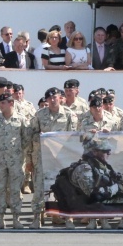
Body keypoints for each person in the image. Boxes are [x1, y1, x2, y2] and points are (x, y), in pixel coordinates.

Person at [29, 87, 77, 229]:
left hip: (62, 159)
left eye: (55, 97)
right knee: (39, 188)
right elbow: (31, 135)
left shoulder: (69, 115)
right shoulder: (39, 115)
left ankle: (68, 218)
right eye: (50, 98)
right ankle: (37, 218)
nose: (52, 100)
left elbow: (73, 137)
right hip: (43, 157)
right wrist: (41, 138)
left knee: (65, 188)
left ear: (60, 98)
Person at [0, 93, 31, 229]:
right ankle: (0, 219)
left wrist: (17, 152)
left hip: (16, 161)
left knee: (15, 189)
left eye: (3, 103)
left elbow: (26, 138)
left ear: (11, 103)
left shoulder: (21, 120)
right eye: (0, 103)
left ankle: (16, 219)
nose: (0, 105)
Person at [70, 136, 123, 230]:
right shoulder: (85, 168)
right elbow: (92, 194)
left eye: (109, 150)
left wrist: (122, 181)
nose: (109, 153)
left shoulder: (101, 165)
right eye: (105, 151)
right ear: (95, 152)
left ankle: (122, 220)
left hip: (98, 198)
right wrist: (117, 187)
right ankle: (94, 220)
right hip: (85, 200)